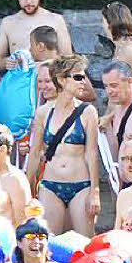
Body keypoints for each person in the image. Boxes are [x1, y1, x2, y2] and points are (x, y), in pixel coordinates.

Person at [25, 55, 100, 236]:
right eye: (77, 77)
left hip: (80, 185)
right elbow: (35, 153)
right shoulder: (43, 113)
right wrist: (27, 188)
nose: (83, 82)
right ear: (61, 79)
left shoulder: (88, 112)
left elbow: (91, 154)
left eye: (83, 76)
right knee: (49, 243)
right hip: (50, 185)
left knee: (83, 242)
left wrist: (95, 191)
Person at [0, 0, 72, 72]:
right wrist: (6, 62)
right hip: (19, 80)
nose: (28, 1)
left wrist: (43, 65)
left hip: (49, 80)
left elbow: (67, 59)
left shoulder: (56, 20)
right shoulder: (8, 22)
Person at [102, 1, 132, 87]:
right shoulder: (120, 47)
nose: (103, 26)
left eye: (103, 21)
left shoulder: (130, 49)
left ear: (110, 24)